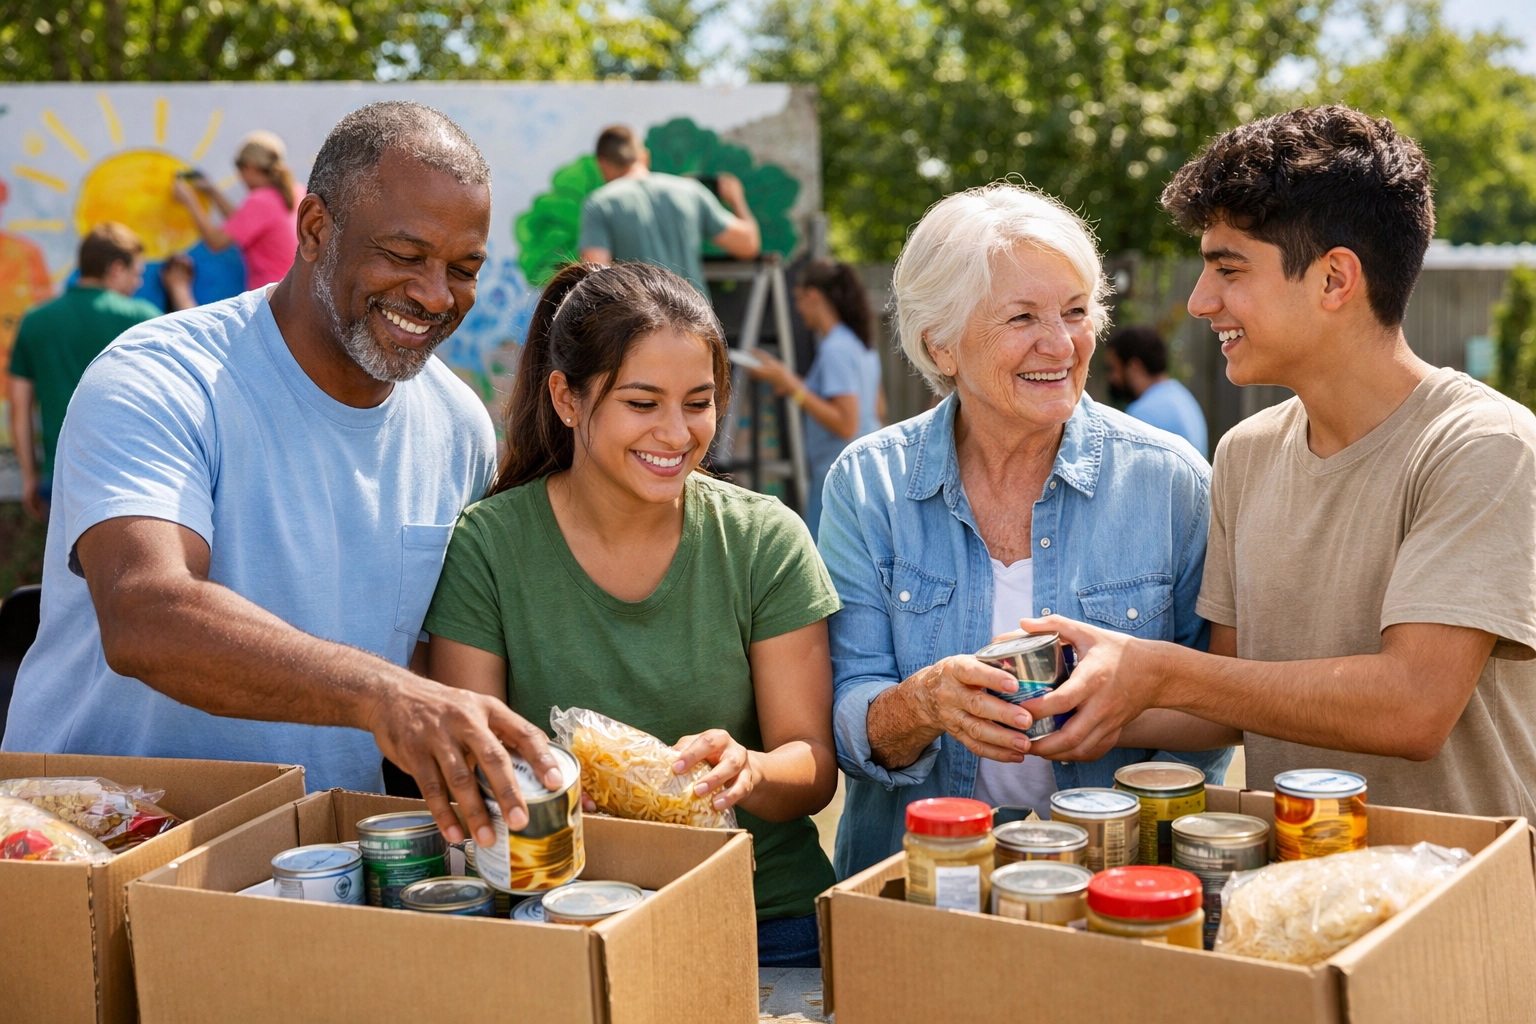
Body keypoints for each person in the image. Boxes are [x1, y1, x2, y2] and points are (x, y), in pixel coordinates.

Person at [2, 101, 569, 853]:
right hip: (99, 854)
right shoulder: (161, 378)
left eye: (463, 269)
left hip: (320, 866)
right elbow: (145, 614)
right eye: (405, 255)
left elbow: (444, 658)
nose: (436, 296)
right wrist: (382, 695)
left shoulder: (458, 425)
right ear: (313, 231)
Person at [1018, 106, 1536, 822]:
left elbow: (1414, 708)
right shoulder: (1246, 454)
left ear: (1333, 281)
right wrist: (1055, 704)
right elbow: (1228, 701)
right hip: (1291, 903)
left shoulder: (1482, 445)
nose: (1201, 302)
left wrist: (1160, 667)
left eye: (1229, 270)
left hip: (1457, 910)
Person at [422, 262, 840, 965]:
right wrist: (529, 791)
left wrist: (751, 772)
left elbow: (814, 765)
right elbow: (474, 763)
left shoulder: (764, 539)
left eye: (699, 402)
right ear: (566, 398)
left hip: (764, 923)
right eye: (643, 404)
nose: (676, 434)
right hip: (562, 923)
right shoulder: (489, 546)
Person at [819, 182, 1232, 878]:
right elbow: (848, 717)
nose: (1060, 343)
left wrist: (1118, 711)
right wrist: (924, 703)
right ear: (941, 345)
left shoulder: (1171, 482)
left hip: (1120, 888)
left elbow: (1224, 705)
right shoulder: (870, 485)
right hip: (919, 887)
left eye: (1075, 311)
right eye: (1022, 318)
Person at [7, 223, 162, 520]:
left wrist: (30, 476)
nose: (139, 283)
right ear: (117, 268)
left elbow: (19, 408)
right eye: (137, 273)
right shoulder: (144, 319)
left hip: (64, 476)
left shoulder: (35, 320)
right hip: (132, 474)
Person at [747, 258, 887, 537]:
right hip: (867, 473)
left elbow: (847, 423)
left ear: (813, 296)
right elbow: (879, 408)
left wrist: (790, 384)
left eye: (798, 300)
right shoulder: (859, 343)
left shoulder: (835, 348)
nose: (798, 309)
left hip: (839, 477)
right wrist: (790, 382)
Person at [578, 125, 761, 298]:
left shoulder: (600, 203)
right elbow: (748, 245)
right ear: (644, 157)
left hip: (642, 324)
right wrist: (736, 198)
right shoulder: (691, 191)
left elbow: (595, 277)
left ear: (603, 164)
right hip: (697, 321)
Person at [172, 130, 300, 289]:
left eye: (239, 168)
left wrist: (190, 201)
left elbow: (216, 242)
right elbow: (243, 223)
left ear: (251, 166)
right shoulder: (295, 192)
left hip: (271, 297)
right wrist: (213, 192)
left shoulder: (260, 200)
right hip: (293, 293)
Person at [1103, 324, 1208, 457]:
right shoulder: (1184, 398)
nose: (1112, 378)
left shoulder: (1142, 414)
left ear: (1135, 367)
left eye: (1113, 368)